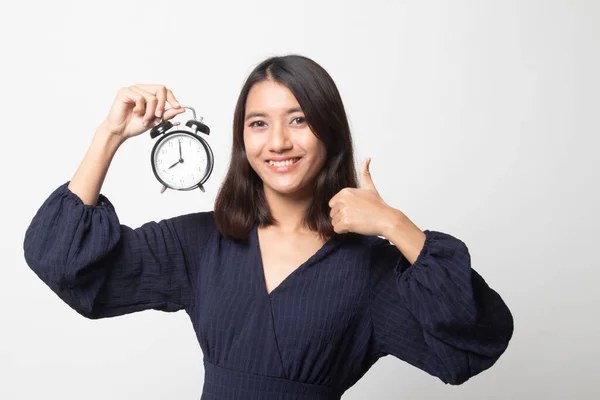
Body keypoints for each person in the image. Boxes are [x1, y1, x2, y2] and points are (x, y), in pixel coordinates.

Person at [23, 54, 514, 399]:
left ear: (330, 131)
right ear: (241, 139)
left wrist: (394, 224)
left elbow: (473, 343)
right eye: (259, 123)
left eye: (298, 119)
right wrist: (109, 135)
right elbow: (66, 263)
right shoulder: (200, 243)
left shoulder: (371, 271)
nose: (277, 141)